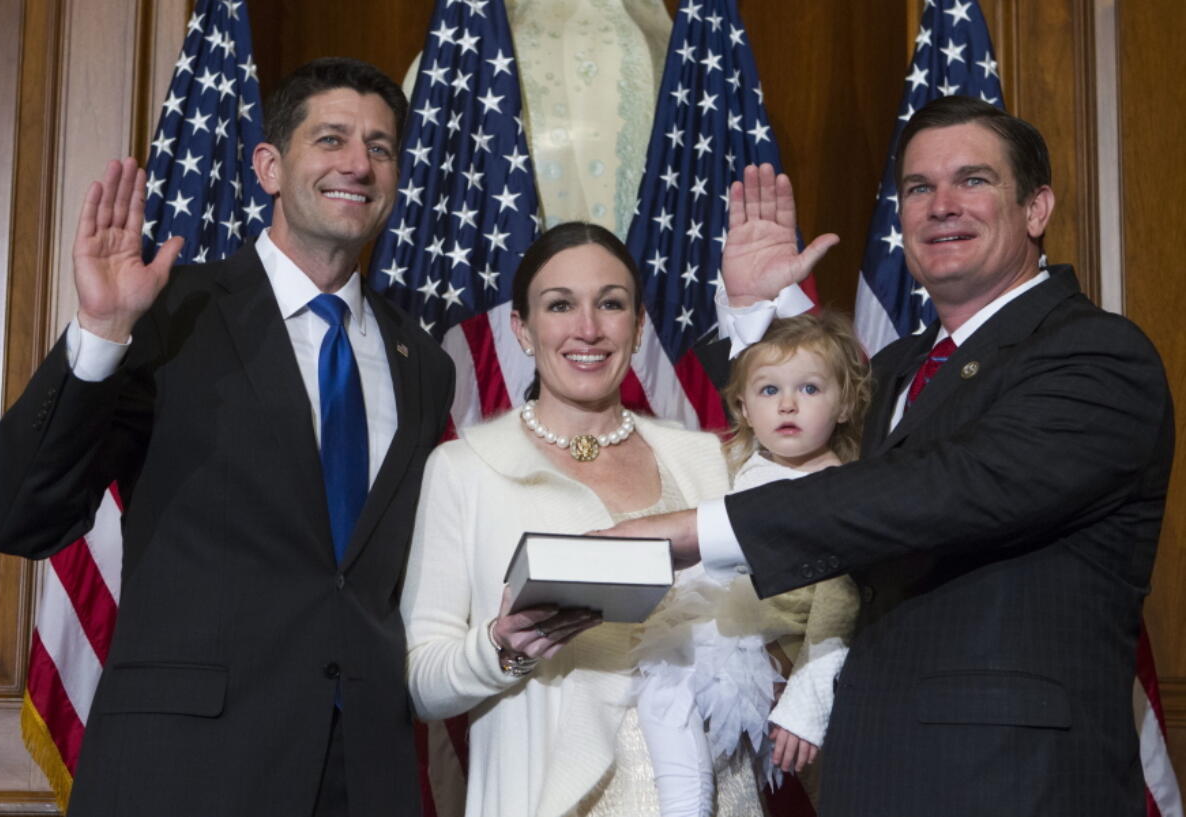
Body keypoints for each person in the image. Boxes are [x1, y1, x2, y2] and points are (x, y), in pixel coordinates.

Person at [605, 96, 1175, 817]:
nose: (941, 205)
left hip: (1012, 783)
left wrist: (693, 530)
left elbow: (941, 490)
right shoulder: (900, 366)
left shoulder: (1095, 354)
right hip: (866, 772)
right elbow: (795, 445)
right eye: (918, 188)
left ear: (1037, 209)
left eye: (973, 180)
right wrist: (754, 317)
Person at [0, 58, 454, 817]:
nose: (358, 163)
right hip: (187, 773)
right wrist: (102, 331)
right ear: (269, 165)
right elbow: (14, 515)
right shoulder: (172, 312)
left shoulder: (422, 360)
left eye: (381, 147)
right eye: (331, 139)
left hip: (365, 779)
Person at [400, 221, 821, 817]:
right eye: (560, 305)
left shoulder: (705, 458)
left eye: (612, 304)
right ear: (522, 328)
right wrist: (502, 646)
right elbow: (422, 681)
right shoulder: (464, 469)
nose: (588, 329)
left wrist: (758, 314)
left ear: (640, 324)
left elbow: (824, 501)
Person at [632, 311, 867, 816]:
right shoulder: (742, 469)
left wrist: (806, 706)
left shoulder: (845, 490)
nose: (787, 404)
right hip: (729, 623)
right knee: (662, 678)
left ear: (845, 403)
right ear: (743, 407)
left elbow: (838, 606)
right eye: (768, 391)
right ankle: (685, 805)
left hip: (781, 646)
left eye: (809, 388)